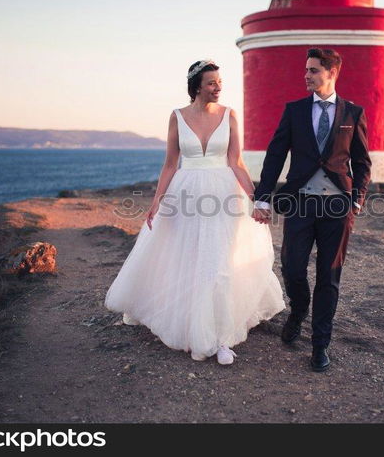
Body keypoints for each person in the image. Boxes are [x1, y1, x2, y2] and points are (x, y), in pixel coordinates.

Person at [105, 59, 285, 365]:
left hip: (223, 194)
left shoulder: (230, 115)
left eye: (219, 82)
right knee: (186, 257)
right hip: (185, 193)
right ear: (196, 87)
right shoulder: (177, 117)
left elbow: (236, 162)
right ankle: (190, 324)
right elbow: (171, 164)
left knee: (219, 262)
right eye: (211, 83)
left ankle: (220, 337)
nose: (218, 87)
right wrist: (156, 201)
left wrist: (256, 200)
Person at [251, 48, 371, 372]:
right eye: (306, 69)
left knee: (329, 278)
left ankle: (320, 345)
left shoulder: (353, 114)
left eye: (314, 70)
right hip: (301, 201)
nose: (306, 75)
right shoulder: (294, 111)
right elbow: (275, 155)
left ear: (332, 74)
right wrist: (262, 198)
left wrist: (356, 199)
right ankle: (299, 308)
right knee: (292, 267)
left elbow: (361, 163)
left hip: (337, 205)